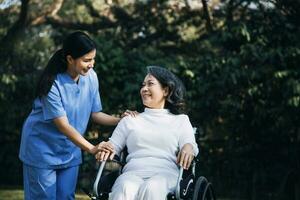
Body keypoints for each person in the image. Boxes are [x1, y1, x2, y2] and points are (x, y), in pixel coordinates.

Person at [19, 31, 136, 200]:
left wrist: (120, 120)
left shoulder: (91, 77)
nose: (91, 64)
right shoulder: (52, 83)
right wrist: (91, 148)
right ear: (70, 59)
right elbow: (63, 126)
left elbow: (95, 113)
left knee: (66, 196)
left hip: (70, 151)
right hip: (42, 150)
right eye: (86, 60)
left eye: (93, 59)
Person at [96, 66, 199, 200]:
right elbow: (112, 145)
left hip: (166, 174)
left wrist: (188, 147)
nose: (144, 89)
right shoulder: (130, 120)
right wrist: (105, 149)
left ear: (166, 90)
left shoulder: (180, 120)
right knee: (124, 188)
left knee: (152, 188)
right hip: (132, 173)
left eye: (150, 84)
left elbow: (190, 143)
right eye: (143, 85)